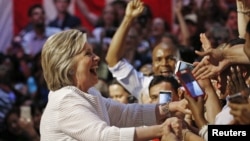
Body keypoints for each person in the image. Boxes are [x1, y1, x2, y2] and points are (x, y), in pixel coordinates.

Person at [39, 27, 191, 141]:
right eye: (88, 54)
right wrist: (161, 130)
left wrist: (172, 106)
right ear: (68, 66)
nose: (97, 57)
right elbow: (104, 136)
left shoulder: (90, 94)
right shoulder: (65, 101)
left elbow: (126, 114)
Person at [106, 0, 178, 103]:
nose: (164, 64)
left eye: (170, 58)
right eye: (158, 59)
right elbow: (112, 60)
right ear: (152, 64)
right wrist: (128, 18)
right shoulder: (143, 85)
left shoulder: (189, 83)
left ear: (178, 60)